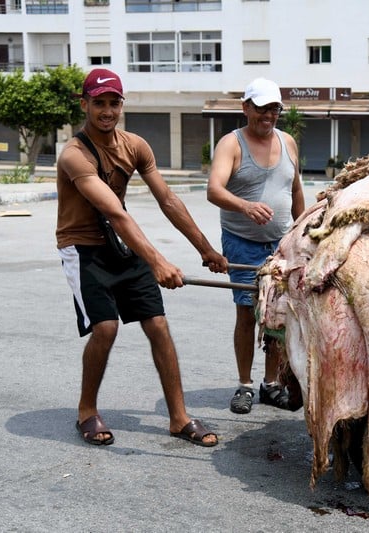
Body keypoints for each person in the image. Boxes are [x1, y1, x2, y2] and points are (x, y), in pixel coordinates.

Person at [56, 68, 228, 447]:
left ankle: (178, 417)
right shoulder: (74, 154)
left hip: (120, 243)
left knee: (158, 324)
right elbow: (116, 212)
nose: (106, 110)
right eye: (98, 102)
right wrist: (157, 262)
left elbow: (167, 199)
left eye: (113, 102)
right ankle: (87, 410)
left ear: (122, 105)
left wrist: (206, 249)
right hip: (82, 248)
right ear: (84, 104)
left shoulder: (135, 145)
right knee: (105, 328)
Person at [207, 77, 305, 414]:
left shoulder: (288, 142)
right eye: (261, 107)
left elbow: (295, 191)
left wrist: (304, 230)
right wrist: (245, 206)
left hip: (280, 245)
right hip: (242, 243)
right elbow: (214, 190)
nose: (268, 115)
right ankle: (245, 384)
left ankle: (271, 384)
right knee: (247, 313)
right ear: (246, 107)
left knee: (277, 316)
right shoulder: (231, 144)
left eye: (274, 108)